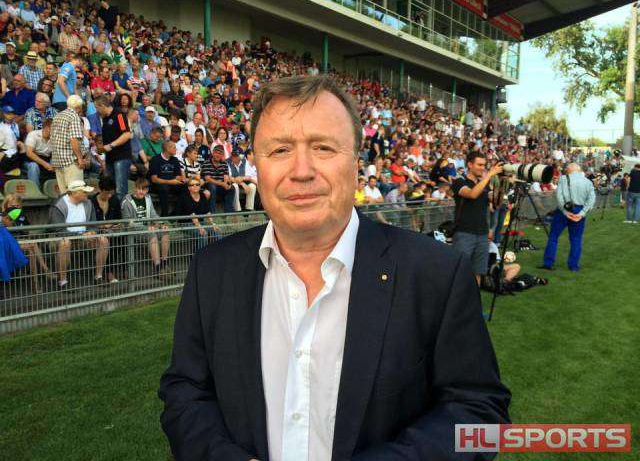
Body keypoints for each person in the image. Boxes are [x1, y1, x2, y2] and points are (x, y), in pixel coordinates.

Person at [159, 75, 510, 461]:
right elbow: (185, 393)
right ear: (257, 166)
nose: (301, 170)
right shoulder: (212, 271)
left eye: (323, 148)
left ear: (356, 163)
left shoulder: (436, 274)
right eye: (279, 150)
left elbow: (480, 413)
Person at [452, 152, 504, 285]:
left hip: (482, 234)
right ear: (469, 164)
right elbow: (472, 194)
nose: (482, 168)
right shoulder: (459, 181)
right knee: (460, 271)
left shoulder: (484, 185)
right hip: (464, 233)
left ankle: (475, 298)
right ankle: (457, 298)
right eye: (479, 165)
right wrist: (489, 175)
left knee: (478, 272)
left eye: (484, 165)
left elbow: (496, 203)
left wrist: (501, 181)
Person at [48, 180, 110, 289]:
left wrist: (92, 232)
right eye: (84, 192)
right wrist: (81, 235)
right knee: (65, 243)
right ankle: (62, 282)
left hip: (83, 238)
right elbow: (58, 230)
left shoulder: (88, 203)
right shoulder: (58, 205)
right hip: (59, 239)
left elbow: (93, 224)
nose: (88, 194)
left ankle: (98, 277)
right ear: (74, 193)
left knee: (103, 240)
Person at [541, 163, 596, 272]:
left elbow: (559, 197)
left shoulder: (563, 179)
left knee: (553, 236)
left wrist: (565, 212)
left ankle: (548, 263)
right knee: (576, 239)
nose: (565, 170)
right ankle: (573, 266)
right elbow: (591, 199)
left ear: (570, 170)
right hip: (579, 210)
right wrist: (582, 213)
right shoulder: (588, 182)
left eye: (566, 169)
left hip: (564, 209)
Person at [121, 177, 171, 276]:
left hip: (147, 228)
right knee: (152, 234)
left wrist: (161, 224)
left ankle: (164, 263)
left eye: (144, 189)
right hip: (133, 231)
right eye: (139, 189)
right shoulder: (126, 201)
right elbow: (127, 222)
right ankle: (158, 268)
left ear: (147, 190)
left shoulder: (148, 198)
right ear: (135, 188)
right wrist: (145, 228)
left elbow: (153, 214)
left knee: (165, 232)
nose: (141, 192)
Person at [94, 96, 133, 201]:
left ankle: (122, 211)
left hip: (121, 156)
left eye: (97, 108)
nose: (96, 111)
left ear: (102, 106)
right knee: (110, 188)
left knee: (120, 189)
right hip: (110, 158)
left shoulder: (119, 115)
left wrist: (111, 145)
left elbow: (127, 134)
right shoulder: (105, 118)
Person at [50, 94, 88, 194]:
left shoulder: (57, 116)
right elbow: (74, 140)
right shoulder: (74, 117)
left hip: (58, 160)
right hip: (71, 161)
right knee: (76, 193)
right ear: (79, 107)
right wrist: (80, 158)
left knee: (64, 195)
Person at [90, 176, 122, 283]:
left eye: (111, 193)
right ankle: (105, 272)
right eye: (107, 193)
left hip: (111, 230)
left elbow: (119, 219)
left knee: (119, 238)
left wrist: (114, 225)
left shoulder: (114, 200)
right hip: (96, 232)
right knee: (106, 240)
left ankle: (109, 271)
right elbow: (88, 221)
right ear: (101, 190)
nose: (109, 196)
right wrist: (102, 226)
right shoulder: (91, 201)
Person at [174, 178, 217, 249]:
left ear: (200, 186)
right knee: (203, 234)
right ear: (188, 188)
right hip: (186, 224)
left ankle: (216, 252)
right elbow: (192, 214)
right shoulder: (184, 197)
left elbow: (207, 212)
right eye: (192, 185)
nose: (195, 186)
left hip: (200, 222)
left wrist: (213, 224)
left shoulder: (202, 195)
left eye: (197, 184)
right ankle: (199, 254)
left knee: (216, 231)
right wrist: (199, 227)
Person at [148, 140, 186, 217]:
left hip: (171, 184)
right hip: (157, 185)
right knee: (164, 188)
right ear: (168, 149)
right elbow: (154, 179)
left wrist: (181, 179)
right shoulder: (155, 159)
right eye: (174, 147)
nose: (176, 149)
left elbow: (177, 176)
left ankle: (176, 213)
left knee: (185, 187)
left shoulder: (175, 160)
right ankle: (164, 215)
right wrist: (170, 182)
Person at [201, 144, 235, 213]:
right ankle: (212, 212)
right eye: (216, 153)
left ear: (222, 155)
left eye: (220, 153)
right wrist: (221, 183)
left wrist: (227, 183)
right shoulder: (206, 163)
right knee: (212, 187)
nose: (218, 155)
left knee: (231, 188)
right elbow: (208, 179)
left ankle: (228, 212)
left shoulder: (224, 163)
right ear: (213, 153)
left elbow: (225, 177)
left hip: (220, 185)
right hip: (208, 185)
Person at [24, 119, 54, 186]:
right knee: (33, 166)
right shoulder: (33, 134)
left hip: (47, 159)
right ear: (46, 127)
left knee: (59, 164)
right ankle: (35, 190)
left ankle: (57, 189)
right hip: (30, 160)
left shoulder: (55, 138)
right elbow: (29, 153)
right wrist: (45, 164)